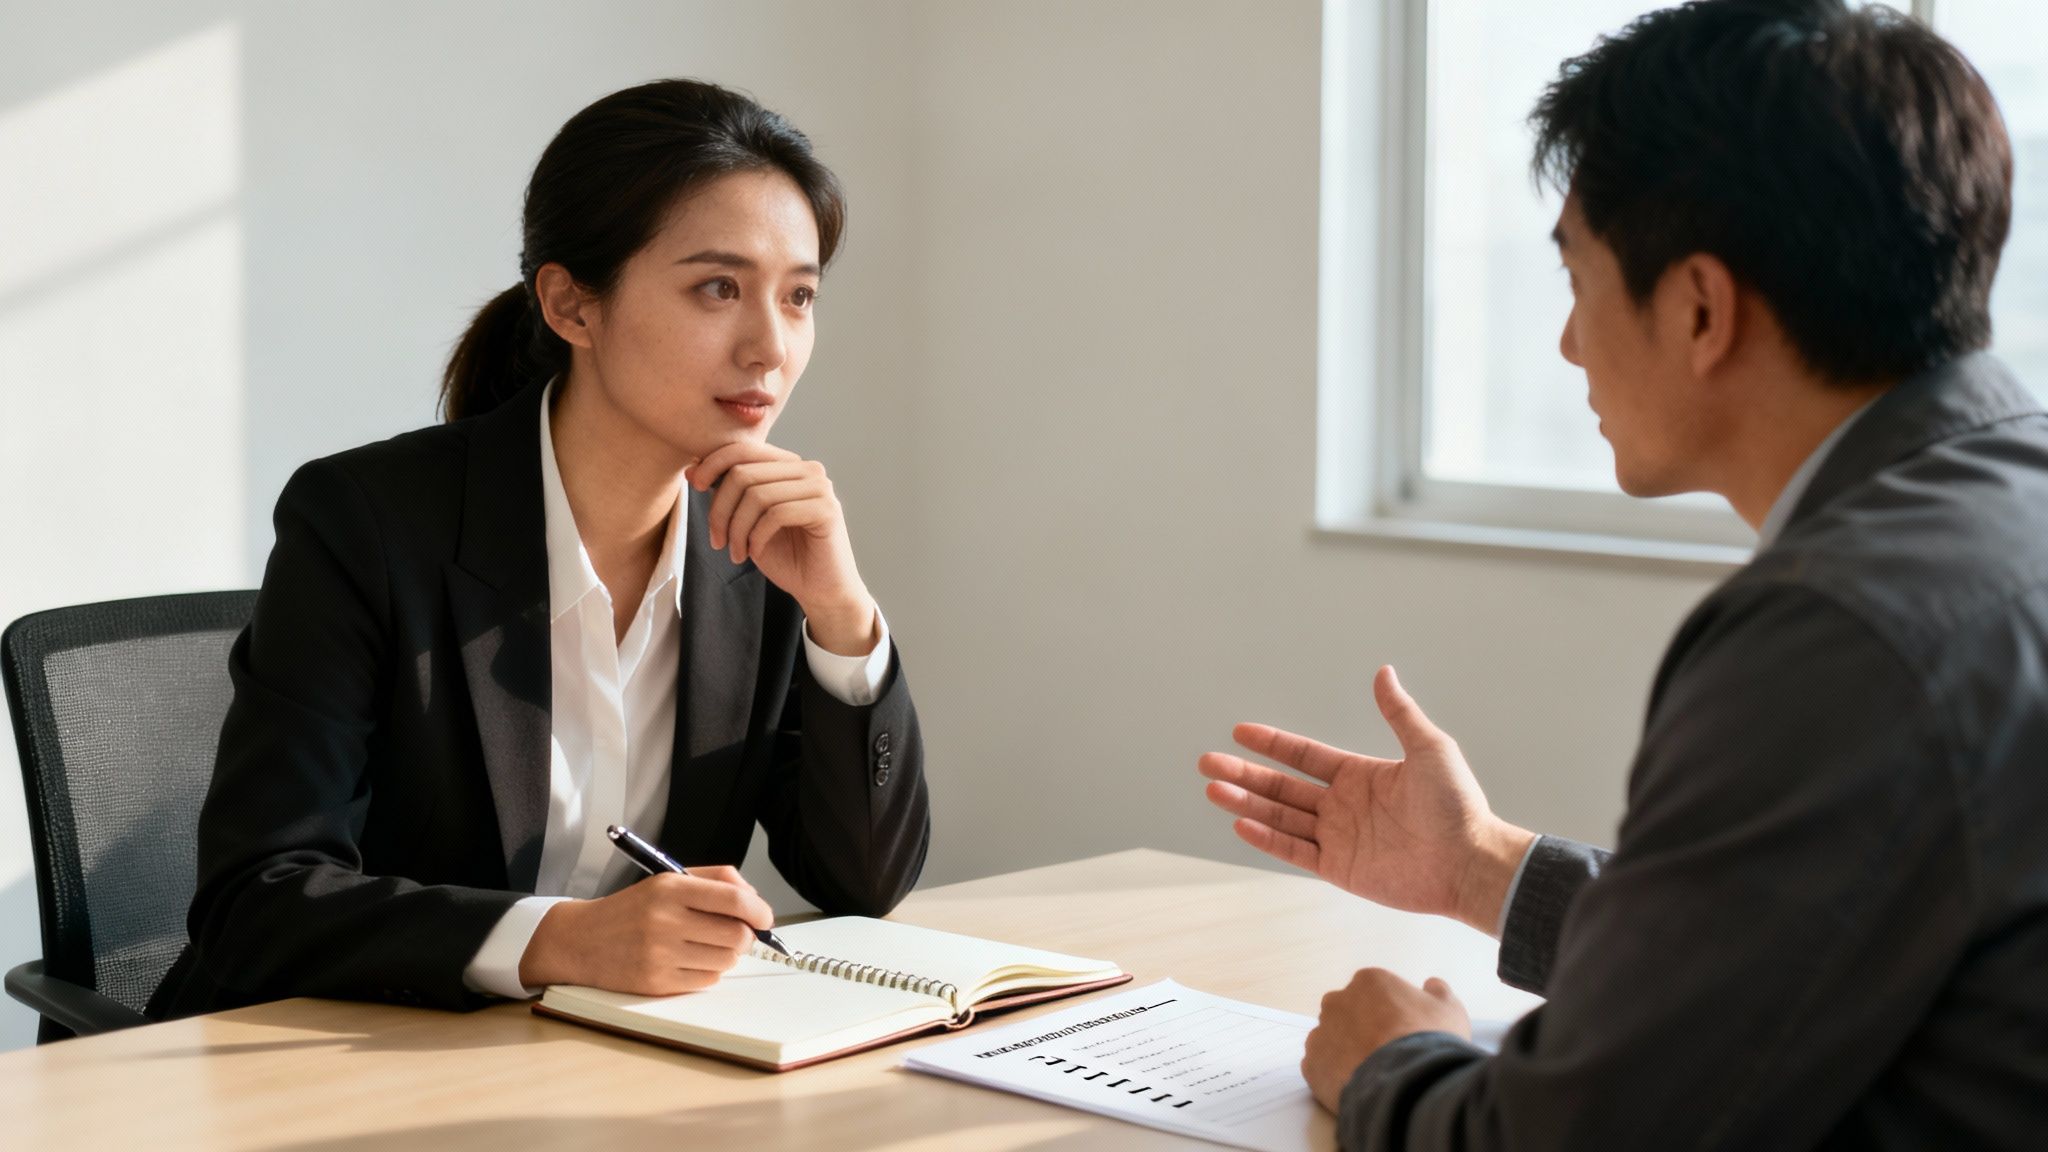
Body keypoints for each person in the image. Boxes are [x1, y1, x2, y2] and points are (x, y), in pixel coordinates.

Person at [1200, 2, 2046, 1147]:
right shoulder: (1995, 522)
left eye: (1575, 275)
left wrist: (1390, 1067)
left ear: (1698, 307)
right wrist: (1481, 869)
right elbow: (1796, 942)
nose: (1564, 344)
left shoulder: (1835, 630)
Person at [150, 79, 929, 1018]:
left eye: (798, 296)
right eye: (718, 288)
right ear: (571, 305)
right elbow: (255, 902)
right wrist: (562, 939)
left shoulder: (758, 552)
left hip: (592, 1070)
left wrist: (842, 619)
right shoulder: (364, 520)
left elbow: (862, 882)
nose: (771, 346)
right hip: (338, 1059)